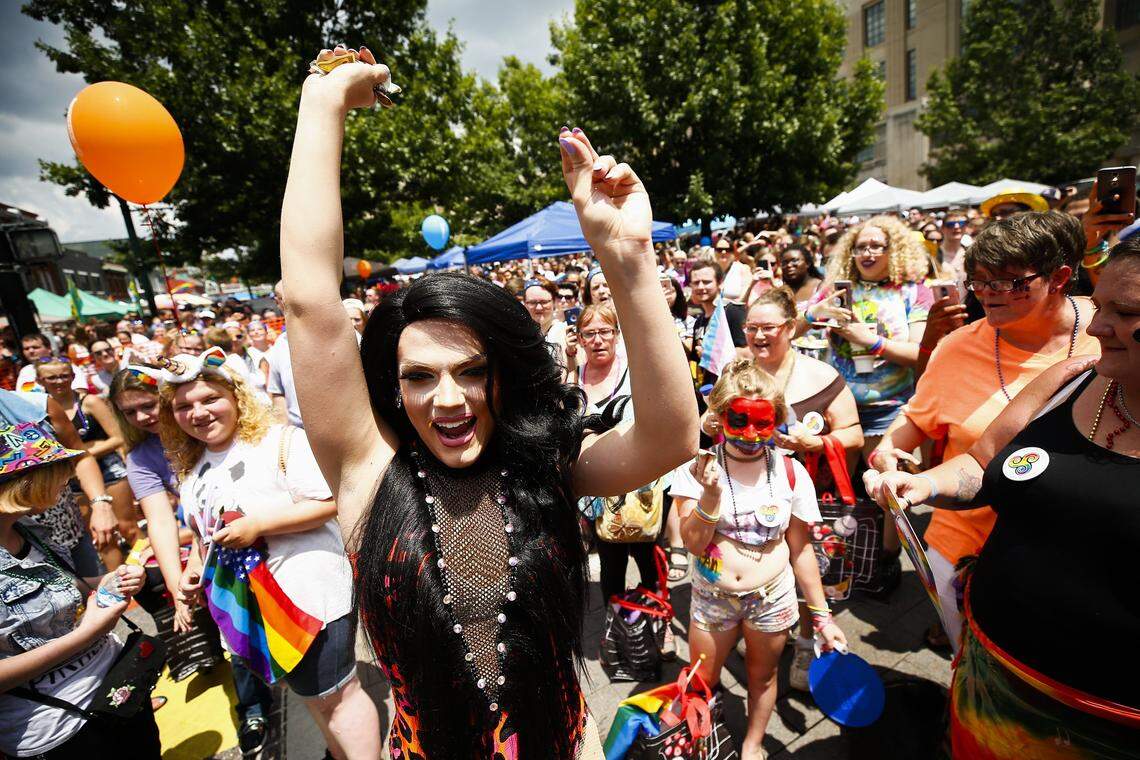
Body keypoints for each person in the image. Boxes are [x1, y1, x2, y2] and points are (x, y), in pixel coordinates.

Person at [279, 45, 698, 758]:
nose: (448, 398)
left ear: (503, 373)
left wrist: (629, 259)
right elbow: (310, 302)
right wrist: (322, 104)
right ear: (393, 387)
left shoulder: (545, 465)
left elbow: (670, 438)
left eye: (471, 371)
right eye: (419, 377)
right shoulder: (367, 473)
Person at [864, 239, 1140, 758]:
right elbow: (979, 463)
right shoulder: (1070, 380)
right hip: (993, 674)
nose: (1098, 328)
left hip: (1111, 723)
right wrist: (923, 484)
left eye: (1125, 313)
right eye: (1101, 307)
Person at [868, 212, 1100, 651]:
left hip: (1072, 557)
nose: (988, 294)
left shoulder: (1112, 336)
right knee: (972, 667)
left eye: (1008, 282)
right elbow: (916, 420)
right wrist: (887, 456)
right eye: (978, 281)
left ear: (1060, 277)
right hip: (961, 544)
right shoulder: (957, 347)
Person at [161, 348, 380, 758]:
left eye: (210, 399)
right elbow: (202, 535)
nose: (199, 413)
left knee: (338, 695)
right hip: (255, 610)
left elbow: (330, 502)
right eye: (183, 406)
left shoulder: (279, 441)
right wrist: (194, 571)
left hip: (308, 597)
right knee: (312, 697)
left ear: (236, 396)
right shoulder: (191, 468)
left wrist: (259, 526)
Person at [673, 360, 846, 760]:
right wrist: (711, 498)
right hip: (712, 595)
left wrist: (821, 615)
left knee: (763, 677)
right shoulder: (696, 469)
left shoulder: (790, 473)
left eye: (763, 424)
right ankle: (698, 736)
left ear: (778, 420)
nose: (751, 436)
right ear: (718, 418)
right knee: (701, 678)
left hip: (771, 597)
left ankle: (752, 744)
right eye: (739, 420)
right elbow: (694, 544)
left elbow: (801, 549)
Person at [109, 367, 275, 755]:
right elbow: (160, 522)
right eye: (129, 413)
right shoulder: (142, 456)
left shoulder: (204, 424)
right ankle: (252, 708)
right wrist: (177, 585)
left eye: (148, 405)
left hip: (263, 535)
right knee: (232, 629)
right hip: (212, 546)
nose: (142, 418)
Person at [716, 287, 863, 690]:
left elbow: (854, 433)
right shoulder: (737, 370)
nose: (759, 336)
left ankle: (803, 641)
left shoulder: (822, 375)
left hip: (812, 491)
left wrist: (816, 443)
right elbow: (713, 417)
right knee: (760, 559)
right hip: (751, 495)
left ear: (791, 327)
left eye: (769, 328)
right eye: (752, 328)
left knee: (809, 563)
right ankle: (761, 624)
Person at [0, 421, 157, 758]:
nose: (67, 477)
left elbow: (69, 584)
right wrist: (84, 635)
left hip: (117, 692)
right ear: (22, 483)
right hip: (65, 729)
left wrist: (113, 580)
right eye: (56, 469)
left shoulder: (29, 530)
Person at [35, 360, 135, 570]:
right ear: (39, 381)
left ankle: (151, 576)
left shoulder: (89, 402)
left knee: (128, 528)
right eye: (51, 377)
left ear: (72, 376)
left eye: (64, 375)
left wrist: (81, 452)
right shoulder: (38, 410)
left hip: (109, 471)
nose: (59, 381)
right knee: (102, 537)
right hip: (73, 479)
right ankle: (120, 587)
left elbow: (119, 437)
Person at [265, 281, 303, 428]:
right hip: (300, 433)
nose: (290, 302)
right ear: (278, 303)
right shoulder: (280, 344)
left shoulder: (343, 335)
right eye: (283, 298)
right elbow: (277, 393)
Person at [778, 245, 823, 310]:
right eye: (785, 263)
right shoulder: (781, 291)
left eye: (794, 260)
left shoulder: (821, 287)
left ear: (807, 263)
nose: (789, 265)